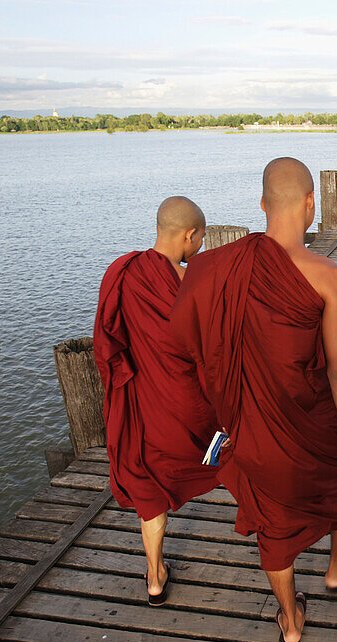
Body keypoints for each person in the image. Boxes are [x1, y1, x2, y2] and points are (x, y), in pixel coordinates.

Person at [170, 157, 337, 642]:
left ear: (262, 205)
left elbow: (186, 341)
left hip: (253, 424)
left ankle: (288, 621)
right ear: (311, 204)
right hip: (313, 417)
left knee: (274, 524)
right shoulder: (328, 276)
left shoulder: (217, 267)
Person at [93, 195, 219, 607]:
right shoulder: (190, 281)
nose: (199, 246)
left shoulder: (122, 272)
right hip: (184, 401)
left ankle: (154, 574)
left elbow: (109, 340)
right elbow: (206, 346)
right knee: (227, 457)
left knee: (148, 485)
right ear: (190, 234)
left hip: (140, 401)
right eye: (199, 238)